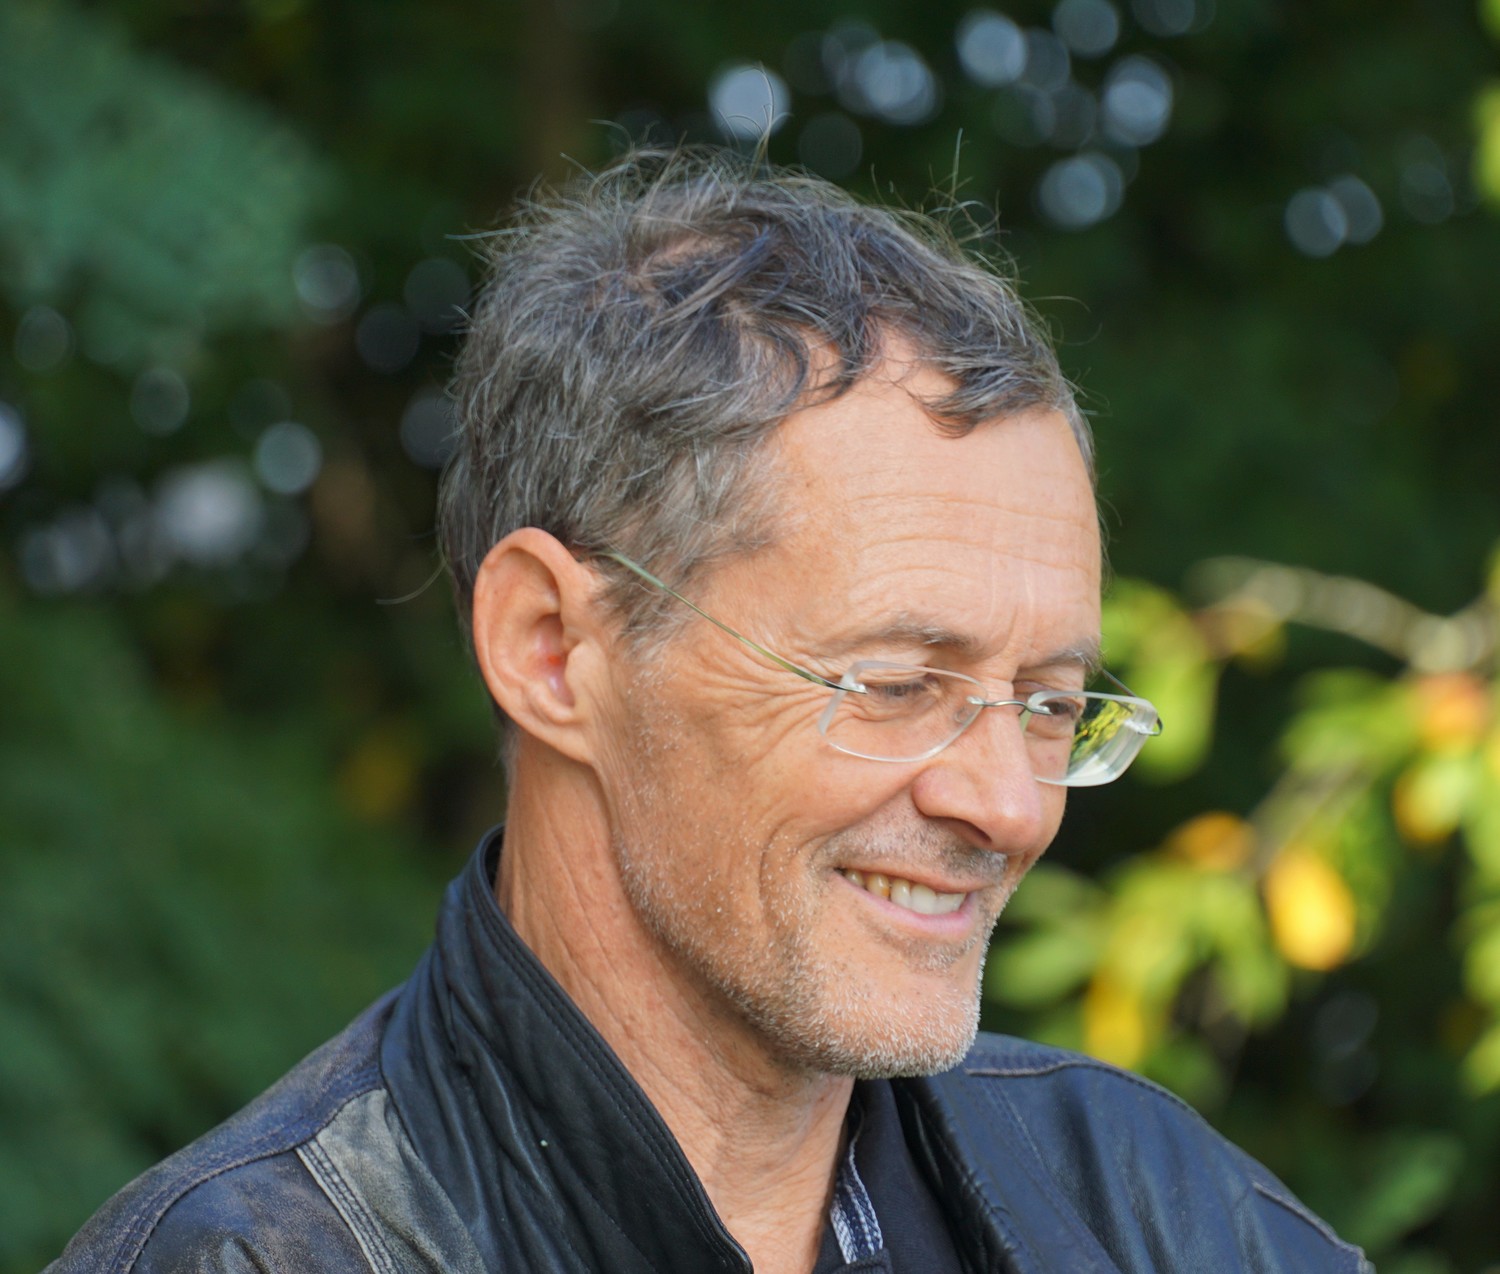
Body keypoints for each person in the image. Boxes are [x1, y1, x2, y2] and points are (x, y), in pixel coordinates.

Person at [50, 147, 1370, 1273]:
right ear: (552, 649)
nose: (1009, 806)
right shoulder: (262, 1253)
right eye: (894, 684)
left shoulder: (1150, 1209)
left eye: (1050, 704)